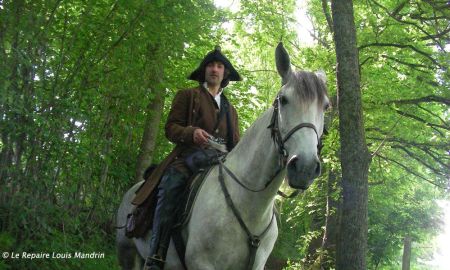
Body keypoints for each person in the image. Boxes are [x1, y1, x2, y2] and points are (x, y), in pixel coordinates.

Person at [131, 46, 242, 270]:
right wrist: (191, 133)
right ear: (204, 71)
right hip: (187, 158)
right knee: (170, 186)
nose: (215, 69)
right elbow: (171, 128)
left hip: (221, 163)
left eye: (220, 66)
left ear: (226, 74)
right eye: (211, 65)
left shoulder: (231, 110)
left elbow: (236, 145)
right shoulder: (187, 95)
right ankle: (156, 256)